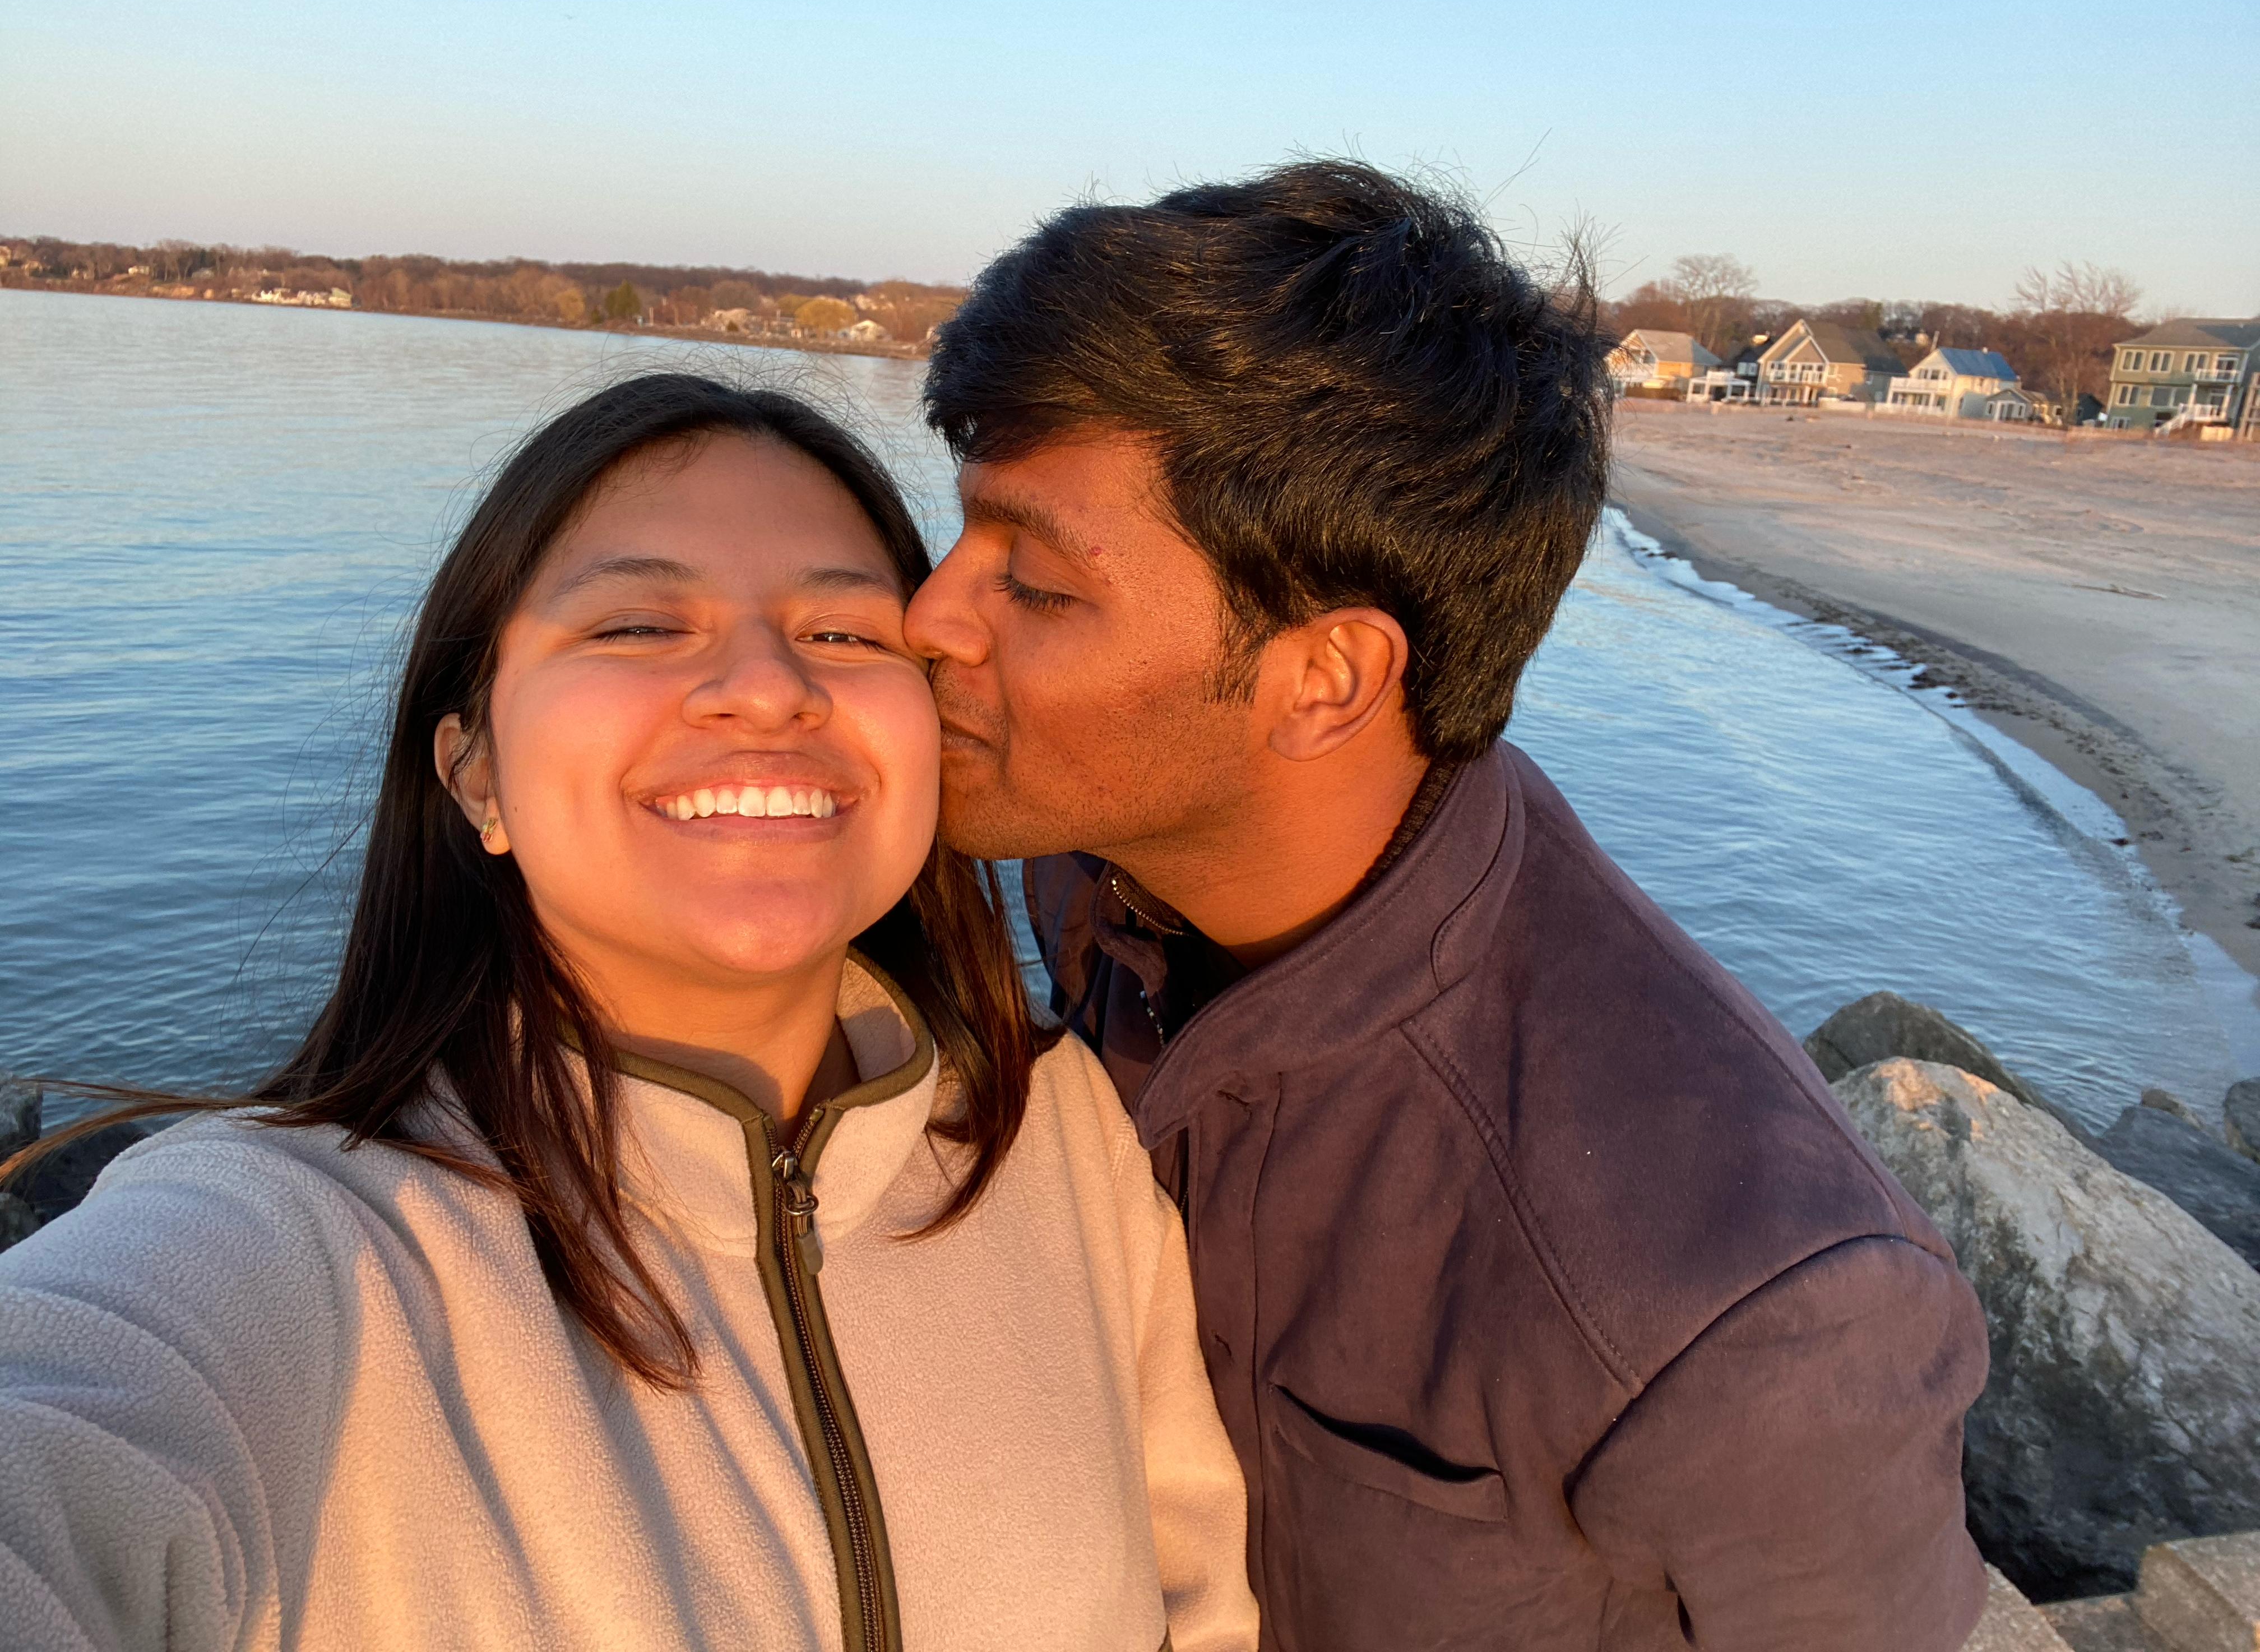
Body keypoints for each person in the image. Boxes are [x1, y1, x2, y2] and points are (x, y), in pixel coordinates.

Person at [902, 162, 1991, 1650]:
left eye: (1031, 581)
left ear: (1327, 678)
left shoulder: (1739, 1303)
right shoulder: (1096, 877)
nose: (924, 617)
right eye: (960, 535)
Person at [0, 374, 1258, 1652]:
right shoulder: (300, 1252)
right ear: (475, 771)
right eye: (640, 627)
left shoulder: (1060, 1143)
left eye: (843, 635)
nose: (767, 689)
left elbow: (1206, 1612)